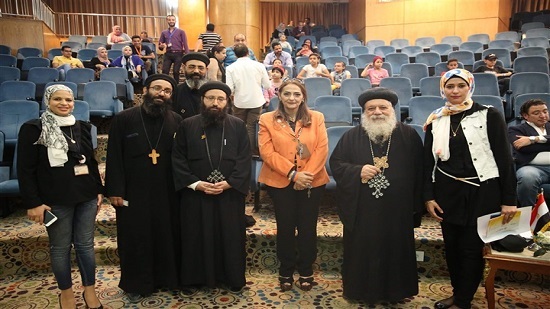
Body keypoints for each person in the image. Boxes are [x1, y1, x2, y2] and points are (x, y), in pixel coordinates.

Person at [423, 69, 517, 309]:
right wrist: (429, 197)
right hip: (447, 193)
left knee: (471, 248)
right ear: (442, 89)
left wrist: (509, 199)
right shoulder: (436, 119)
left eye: (460, 86)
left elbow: (504, 159)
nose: (455, 91)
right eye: (450, 86)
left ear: (469, 87)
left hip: (482, 191)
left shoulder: (489, 115)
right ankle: (458, 293)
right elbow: (427, 162)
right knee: (452, 249)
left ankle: (463, 300)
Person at [329, 87, 423, 303]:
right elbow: (337, 164)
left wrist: (418, 203)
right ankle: (361, 292)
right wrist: (357, 171)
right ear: (364, 112)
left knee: (396, 249)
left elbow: (421, 169)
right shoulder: (351, 136)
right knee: (363, 249)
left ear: (392, 110)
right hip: (363, 208)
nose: (377, 112)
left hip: (398, 208)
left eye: (383, 107)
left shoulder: (408, 135)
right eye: (371, 108)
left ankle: (397, 292)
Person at [18, 85, 103, 309]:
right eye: (58, 99)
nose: (64, 103)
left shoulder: (82, 126)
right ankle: (66, 294)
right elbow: (25, 169)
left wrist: (98, 190)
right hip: (54, 199)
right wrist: (33, 203)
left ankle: (90, 292)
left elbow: (91, 161)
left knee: (85, 245)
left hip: (85, 196)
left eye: (68, 99)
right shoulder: (32, 128)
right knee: (60, 248)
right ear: (48, 101)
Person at [105, 74, 182, 302]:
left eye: (167, 91)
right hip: (133, 191)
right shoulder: (123, 119)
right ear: (146, 90)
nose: (162, 93)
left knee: (168, 234)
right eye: (157, 88)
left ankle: (169, 279)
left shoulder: (176, 120)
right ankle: (137, 283)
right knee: (135, 237)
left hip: (168, 190)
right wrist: (115, 190)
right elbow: (114, 157)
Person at [172, 81, 251, 292]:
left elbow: (245, 158)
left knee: (230, 236)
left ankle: (231, 278)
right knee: (195, 236)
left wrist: (230, 183)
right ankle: (194, 279)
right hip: (196, 194)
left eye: (220, 99)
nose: (215, 103)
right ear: (202, 100)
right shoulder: (187, 124)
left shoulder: (237, 125)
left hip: (229, 194)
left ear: (227, 102)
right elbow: (178, 158)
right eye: (210, 98)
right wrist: (196, 184)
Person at [258, 80, 329, 292]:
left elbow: (321, 149)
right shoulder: (266, 119)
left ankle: (306, 269)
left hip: (312, 181)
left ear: (303, 97)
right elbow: (266, 152)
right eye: (287, 94)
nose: (291, 98)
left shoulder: (316, 118)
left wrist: (305, 177)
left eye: (296, 94)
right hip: (281, 182)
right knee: (286, 227)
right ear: (279, 95)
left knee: (308, 227)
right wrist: (293, 174)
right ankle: (286, 270)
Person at [226, 43, 271, 154]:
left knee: (238, 126)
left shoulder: (230, 68)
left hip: (239, 102)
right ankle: (250, 152)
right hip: (256, 101)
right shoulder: (259, 66)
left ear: (235, 55)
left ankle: (238, 150)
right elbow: (267, 85)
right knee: (251, 127)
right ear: (248, 52)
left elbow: (229, 89)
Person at [508, 99, 550, 208]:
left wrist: (533, 139)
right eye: (536, 113)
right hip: (532, 167)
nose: (542, 115)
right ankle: (529, 214)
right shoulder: (515, 129)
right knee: (528, 178)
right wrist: (546, 141)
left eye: (545, 111)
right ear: (526, 116)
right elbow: (523, 148)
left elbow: (530, 146)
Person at [173, 52, 210, 120]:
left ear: (206, 70)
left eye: (200, 68)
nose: (196, 71)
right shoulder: (175, 91)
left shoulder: (212, 91)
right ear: (183, 68)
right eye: (191, 67)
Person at [159, 14, 190, 83]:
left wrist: (188, 55)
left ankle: (176, 86)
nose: (171, 21)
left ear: (175, 21)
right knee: (165, 71)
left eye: (173, 20)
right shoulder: (164, 32)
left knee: (176, 71)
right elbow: (160, 45)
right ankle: (165, 84)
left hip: (178, 53)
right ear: (167, 21)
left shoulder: (181, 32)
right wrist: (161, 46)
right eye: (169, 20)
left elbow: (185, 43)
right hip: (168, 53)